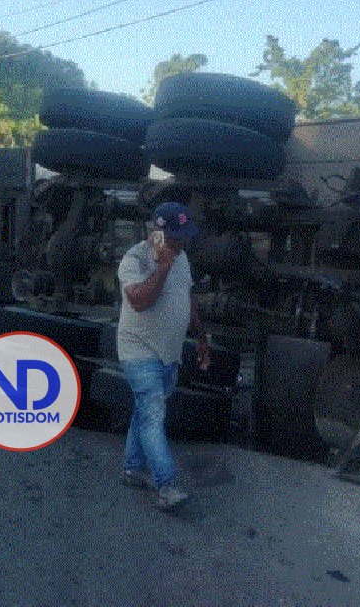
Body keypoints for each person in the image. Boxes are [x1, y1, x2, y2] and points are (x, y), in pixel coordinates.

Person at [116, 202, 211, 512]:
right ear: (156, 233)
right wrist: (163, 266)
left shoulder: (181, 258)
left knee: (145, 412)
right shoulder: (133, 260)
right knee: (154, 416)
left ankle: (132, 468)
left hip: (169, 352)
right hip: (139, 350)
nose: (181, 243)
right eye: (174, 237)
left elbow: (187, 296)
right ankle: (165, 484)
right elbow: (140, 302)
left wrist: (200, 335)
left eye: (184, 236)